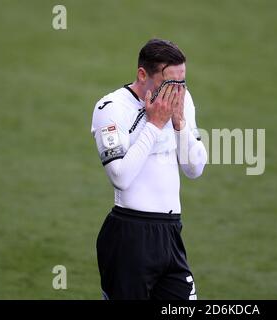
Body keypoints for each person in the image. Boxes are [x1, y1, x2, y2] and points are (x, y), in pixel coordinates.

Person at [90, 39, 207, 300]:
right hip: (130, 236)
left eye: (182, 82)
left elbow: (195, 168)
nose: (177, 92)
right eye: (169, 83)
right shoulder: (110, 108)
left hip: (171, 233)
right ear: (143, 75)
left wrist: (179, 124)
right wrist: (154, 125)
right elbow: (120, 176)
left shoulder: (182, 99)